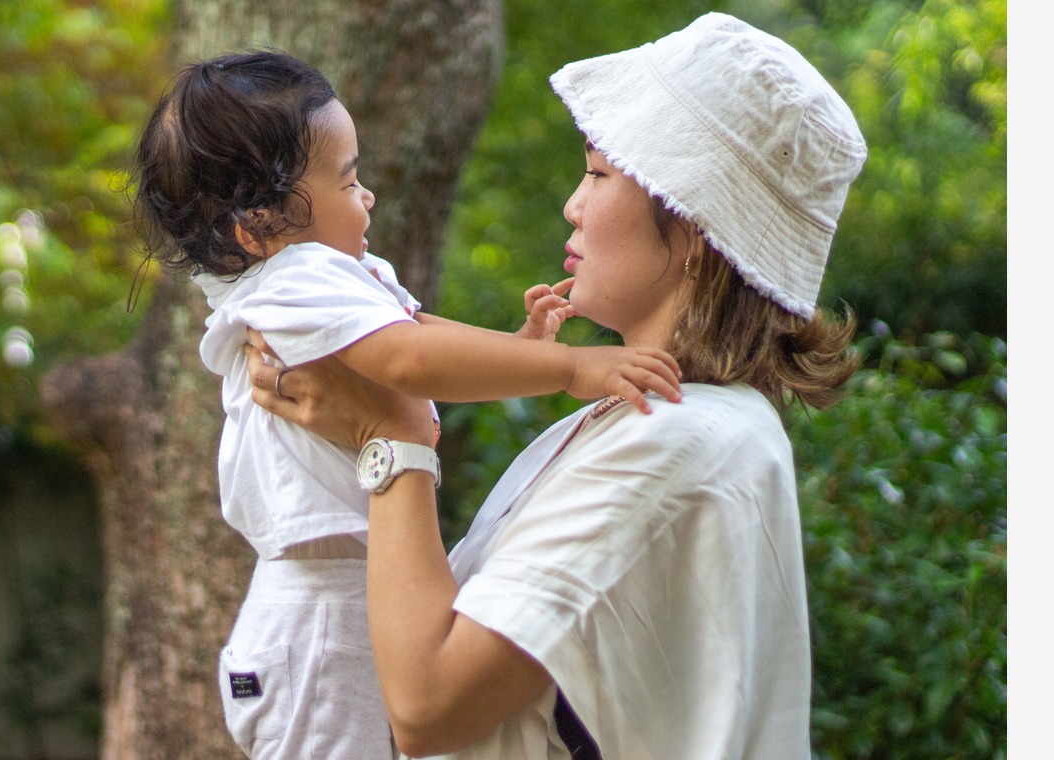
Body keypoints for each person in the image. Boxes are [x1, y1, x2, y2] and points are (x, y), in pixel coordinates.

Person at [246, 12, 867, 760]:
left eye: (599, 173)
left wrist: (392, 441)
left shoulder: (670, 438)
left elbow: (427, 706)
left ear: (696, 230)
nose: (572, 204)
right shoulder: (651, 423)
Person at [131, 50, 681, 760]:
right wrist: (572, 367)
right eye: (348, 179)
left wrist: (517, 345)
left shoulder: (327, 274)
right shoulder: (288, 282)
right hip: (317, 622)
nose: (368, 198)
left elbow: (417, 333)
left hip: (340, 599)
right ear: (259, 227)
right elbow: (408, 359)